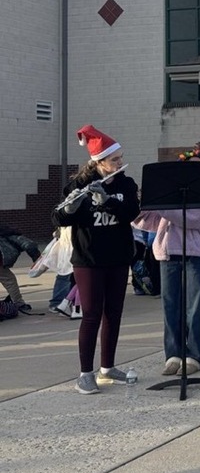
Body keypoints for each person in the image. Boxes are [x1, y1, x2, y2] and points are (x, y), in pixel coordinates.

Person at [53, 124, 140, 394]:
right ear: (99, 162)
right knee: (91, 314)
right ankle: (85, 373)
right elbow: (58, 218)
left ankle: (108, 367)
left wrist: (108, 201)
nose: (120, 163)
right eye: (115, 159)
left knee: (113, 313)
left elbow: (131, 214)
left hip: (118, 256)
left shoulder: (126, 184)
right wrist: (70, 208)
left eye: (120, 158)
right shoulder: (78, 185)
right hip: (89, 259)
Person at [134, 143, 200, 376]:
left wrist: (162, 203)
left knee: (195, 307)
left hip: (197, 254)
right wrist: (140, 207)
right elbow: (151, 221)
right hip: (168, 253)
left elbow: (194, 217)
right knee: (171, 306)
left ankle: (196, 355)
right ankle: (173, 353)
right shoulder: (171, 197)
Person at [0, 225, 41, 312]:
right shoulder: (13, 236)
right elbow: (30, 245)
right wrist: (37, 259)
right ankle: (19, 303)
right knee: (9, 281)